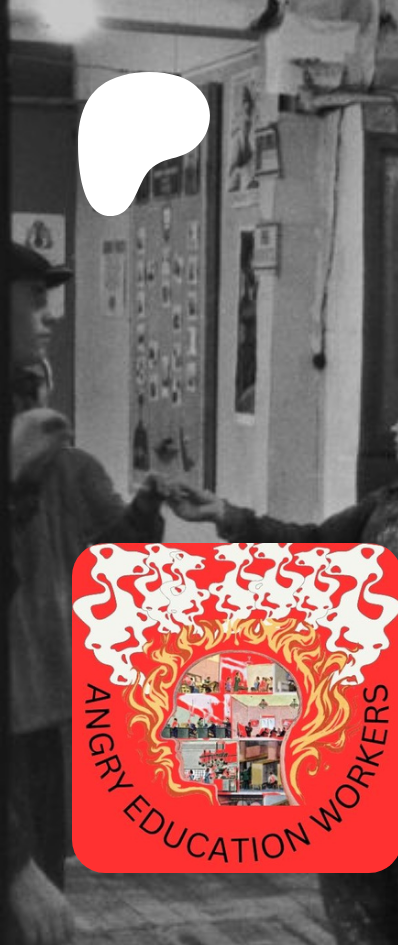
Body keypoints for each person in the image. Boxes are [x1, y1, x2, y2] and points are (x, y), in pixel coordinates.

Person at [165, 369, 398, 943]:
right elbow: (314, 546)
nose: (394, 425)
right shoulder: (395, 499)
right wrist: (224, 515)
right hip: (370, 698)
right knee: (353, 859)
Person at [9, 242, 169, 945]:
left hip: (42, 697)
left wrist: (148, 506)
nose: (48, 318)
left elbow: (121, 549)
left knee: (45, 878)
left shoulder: (69, 465)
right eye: (34, 301)